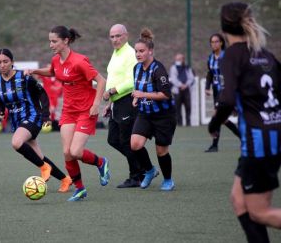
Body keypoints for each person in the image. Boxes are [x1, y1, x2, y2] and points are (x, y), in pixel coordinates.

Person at [208, 2, 281, 242]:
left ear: (223, 26)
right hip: (271, 137)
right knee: (239, 201)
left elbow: (227, 100)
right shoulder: (265, 55)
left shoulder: (232, 56)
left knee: (259, 212)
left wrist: (215, 123)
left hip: (258, 143)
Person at [27, 26, 110, 201]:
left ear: (66, 41)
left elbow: (101, 80)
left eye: (54, 41)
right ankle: (80, 189)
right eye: (50, 41)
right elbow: (52, 72)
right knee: (67, 152)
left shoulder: (79, 61)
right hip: (69, 110)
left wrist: (97, 104)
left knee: (76, 151)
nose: (51, 44)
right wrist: (35, 71)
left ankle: (101, 162)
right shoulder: (56, 60)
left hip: (86, 109)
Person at [0, 48, 72, 192]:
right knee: (38, 155)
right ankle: (65, 179)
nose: (2, 65)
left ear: (12, 62)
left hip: (33, 117)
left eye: (5, 61)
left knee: (16, 143)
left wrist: (46, 114)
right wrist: (0, 112)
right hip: (17, 122)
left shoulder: (24, 77)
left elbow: (42, 94)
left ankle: (43, 167)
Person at [130, 28, 176, 191]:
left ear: (150, 51)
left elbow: (166, 94)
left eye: (141, 51)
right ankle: (149, 171)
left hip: (164, 116)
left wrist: (143, 94)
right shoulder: (136, 68)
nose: (138, 54)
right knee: (135, 144)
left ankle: (168, 180)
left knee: (161, 150)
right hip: (145, 114)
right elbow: (138, 88)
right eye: (136, 51)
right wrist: (137, 97)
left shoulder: (158, 69)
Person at [103, 24, 144, 188]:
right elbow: (115, 77)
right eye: (112, 36)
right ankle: (144, 169)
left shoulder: (130, 54)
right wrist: (111, 103)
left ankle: (137, 176)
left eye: (118, 36)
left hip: (128, 101)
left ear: (126, 35)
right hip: (117, 102)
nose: (115, 39)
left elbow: (133, 80)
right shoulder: (116, 53)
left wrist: (113, 90)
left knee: (126, 141)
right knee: (113, 139)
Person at [205, 33, 240, 152]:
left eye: (216, 41)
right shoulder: (210, 58)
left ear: (221, 43)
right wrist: (207, 87)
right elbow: (210, 73)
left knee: (217, 116)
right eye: (212, 42)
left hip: (226, 91)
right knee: (222, 118)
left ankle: (215, 145)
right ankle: (242, 138)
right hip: (216, 91)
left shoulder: (227, 56)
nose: (214, 44)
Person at [169, 53, 195, 126]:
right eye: (177, 59)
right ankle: (179, 123)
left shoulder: (187, 67)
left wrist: (186, 85)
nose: (178, 60)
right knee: (177, 108)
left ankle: (188, 123)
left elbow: (191, 78)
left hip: (186, 90)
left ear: (183, 59)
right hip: (177, 91)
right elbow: (173, 78)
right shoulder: (173, 68)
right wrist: (180, 85)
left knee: (188, 107)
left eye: (179, 59)